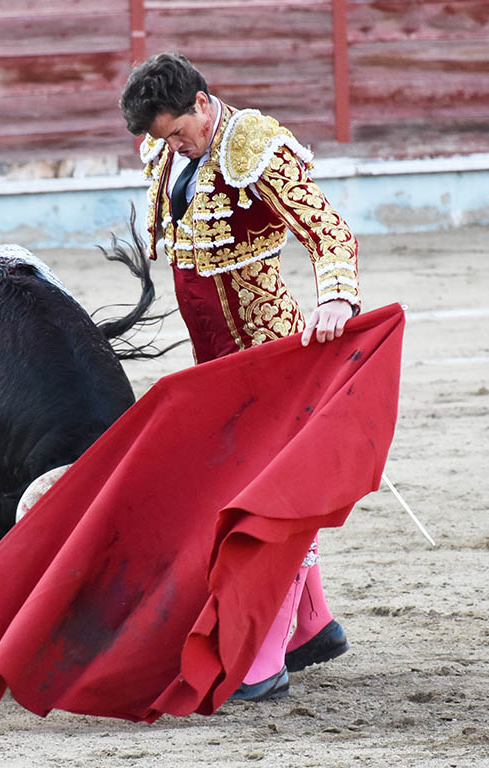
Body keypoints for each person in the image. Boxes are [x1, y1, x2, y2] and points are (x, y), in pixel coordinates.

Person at [119, 52, 360, 702]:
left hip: (272, 355)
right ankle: (313, 628)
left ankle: (263, 656)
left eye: (177, 131)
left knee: (270, 504)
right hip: (217, 366)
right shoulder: (166, 151)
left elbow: (328, 230)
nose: (170, 144)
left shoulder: (252, 146)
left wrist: (336, 297)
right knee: (244, 492)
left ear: (203, 103)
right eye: (161, 137)